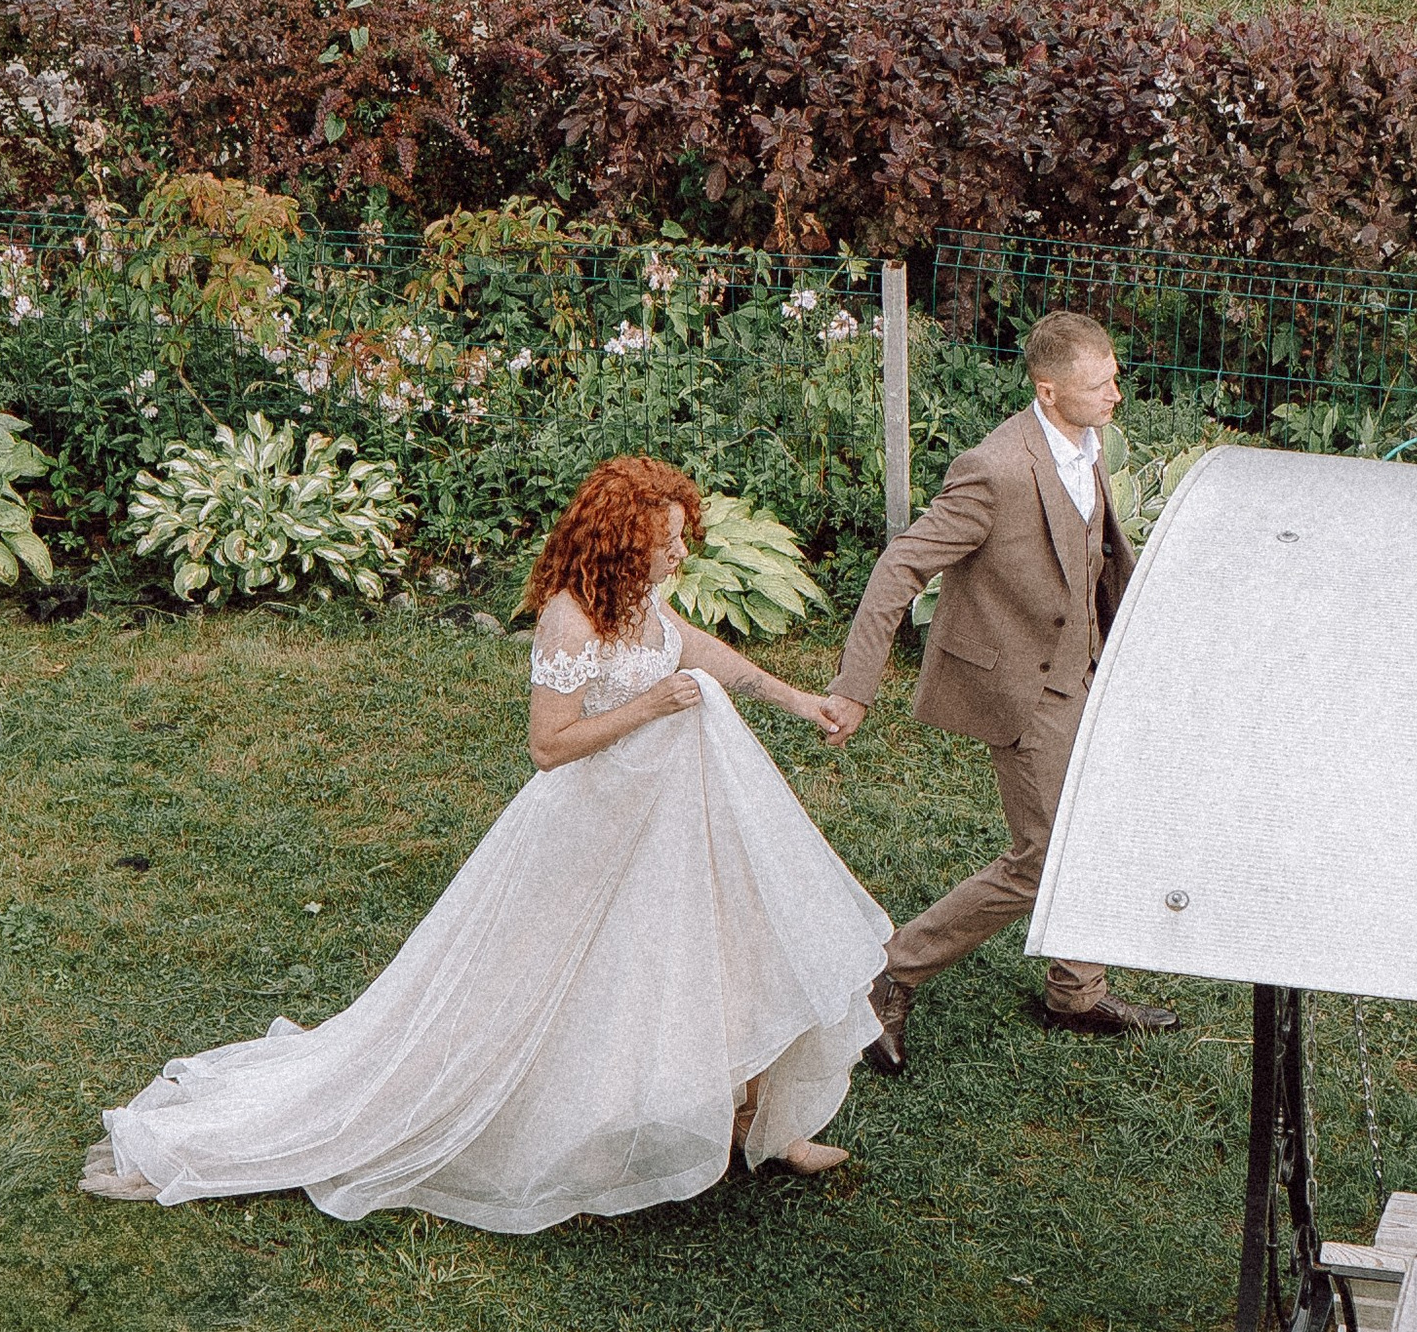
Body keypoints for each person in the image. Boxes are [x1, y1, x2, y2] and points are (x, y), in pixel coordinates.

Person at [80, 456, 890, 1234]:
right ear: (621, 540)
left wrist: (796, 700)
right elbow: (549, 745)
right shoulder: (571, 618)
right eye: (668, 539)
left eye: (683, 536)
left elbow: (698, 655)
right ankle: (605, 1120)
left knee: (736, 943)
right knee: (570, 981)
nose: (683, 551)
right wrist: (651, 709)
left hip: (667, 814)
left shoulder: (644, 602)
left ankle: (764, 1125)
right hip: (590, 827)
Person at [820, 309, 1176, 1068]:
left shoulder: (1088, 439)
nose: (1117, 393)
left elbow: (1093, 551)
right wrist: (856, 686)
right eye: (1099, 383)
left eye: (1114, 375)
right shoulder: (995, 469)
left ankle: (1076, 990)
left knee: (1090, 825)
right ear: (1048, 391)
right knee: (1042, 857)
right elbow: (899, 568)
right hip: (1022, 685)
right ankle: (893, 968)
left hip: (1083, 667)